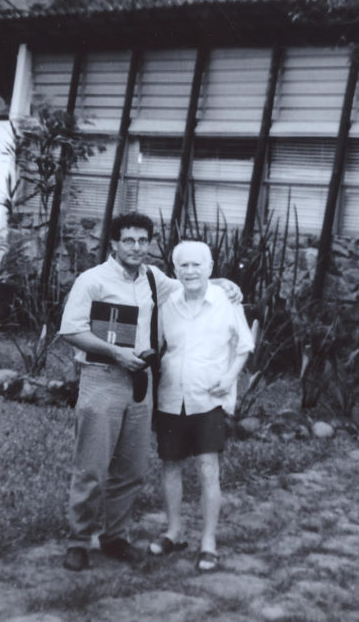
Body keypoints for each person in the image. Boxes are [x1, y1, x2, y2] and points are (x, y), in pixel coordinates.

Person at [58, 213, 240, 571]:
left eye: (143, 241)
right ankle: (79, 541)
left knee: (132, 468)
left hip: (142, 383)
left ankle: (115, 538)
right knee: (92, 467)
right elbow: (70, 330)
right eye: (128, 240)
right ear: (113, 243)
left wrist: (222, 281)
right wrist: (114, 353)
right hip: (103, 377)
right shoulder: (92, 281)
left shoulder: (155, 279)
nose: (136, 248)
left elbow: (190, 283)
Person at [147, 240, 253, 572]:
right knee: (171, 466)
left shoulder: (226, 300)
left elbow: (244, 346)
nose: (190, 271)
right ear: (174, 270)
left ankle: (208, 541)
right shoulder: (167, 302)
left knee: (209, 470)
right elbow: (158, 345)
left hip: (208, 398)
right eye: (183, 265)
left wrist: (230, 378)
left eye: (197, 265)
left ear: (209, 268)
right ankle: (174, 531)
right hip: (170, 398)